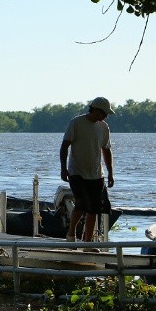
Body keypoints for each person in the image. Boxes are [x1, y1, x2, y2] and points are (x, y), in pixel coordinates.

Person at [59, 96, 115, 248]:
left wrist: (110, 172)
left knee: (94, 209)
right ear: (96, 110)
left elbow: (106, 150)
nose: (106, 116)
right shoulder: (76, 123)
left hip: (97, 174)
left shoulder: (104, 127)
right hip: (76, 172)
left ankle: (87, 242)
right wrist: (63, 168)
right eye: (104, 113)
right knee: (82, 204)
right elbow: (65, 146)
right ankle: (71, 234)